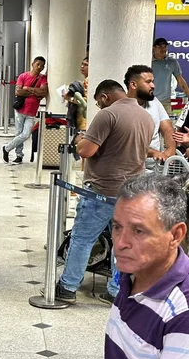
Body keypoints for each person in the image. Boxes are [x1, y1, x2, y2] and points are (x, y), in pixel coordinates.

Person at [80, 173, 189, 359]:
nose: (120, 243)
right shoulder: (134, 275)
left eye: (138, 231)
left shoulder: (182, 312)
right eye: (117, 227)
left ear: (176, 235)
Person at [54, 79, 154, 305]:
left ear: (104, 97)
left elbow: (87, 151)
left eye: (99, 102)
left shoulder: (108, 115)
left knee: (82, 239)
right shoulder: (146, 117)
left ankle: (68, 287)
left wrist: (81, 139)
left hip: (102, 190)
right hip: (131, 192)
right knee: (122, 241)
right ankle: (116, 290)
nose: (99, 107)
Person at [124, 65, 176, 171]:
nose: (153, 86)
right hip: (130, 169)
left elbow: (167, 129)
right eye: (148, 82)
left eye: (153, 81)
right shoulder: (121, 109)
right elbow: (128, 145)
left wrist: (170, 149)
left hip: (154, 167)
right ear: (133, 84)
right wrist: (153, 153)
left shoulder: (154, 102)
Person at [2, 56, 48, 165]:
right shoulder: (23, 76)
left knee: (26, 134)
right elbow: (18, 92)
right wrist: (35, 92)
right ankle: (19, 155)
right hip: (20, 109)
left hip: (32, 112)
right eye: (38, 64)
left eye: (42, 66)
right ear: (33, 64)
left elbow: (43, 92)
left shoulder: (43, 78)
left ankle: (7, 148)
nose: (40, 67)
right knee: (18, 132)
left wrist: (27, 89)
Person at [152, 38, 189, 114]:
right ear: (154, 48)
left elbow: (180, 80)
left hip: (166, 101)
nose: (163, 49)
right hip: (150, 100)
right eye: (160, 46)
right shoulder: (148, 61)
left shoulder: (172, 62)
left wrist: (188, 94)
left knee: (167, 125)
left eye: (165, 46)